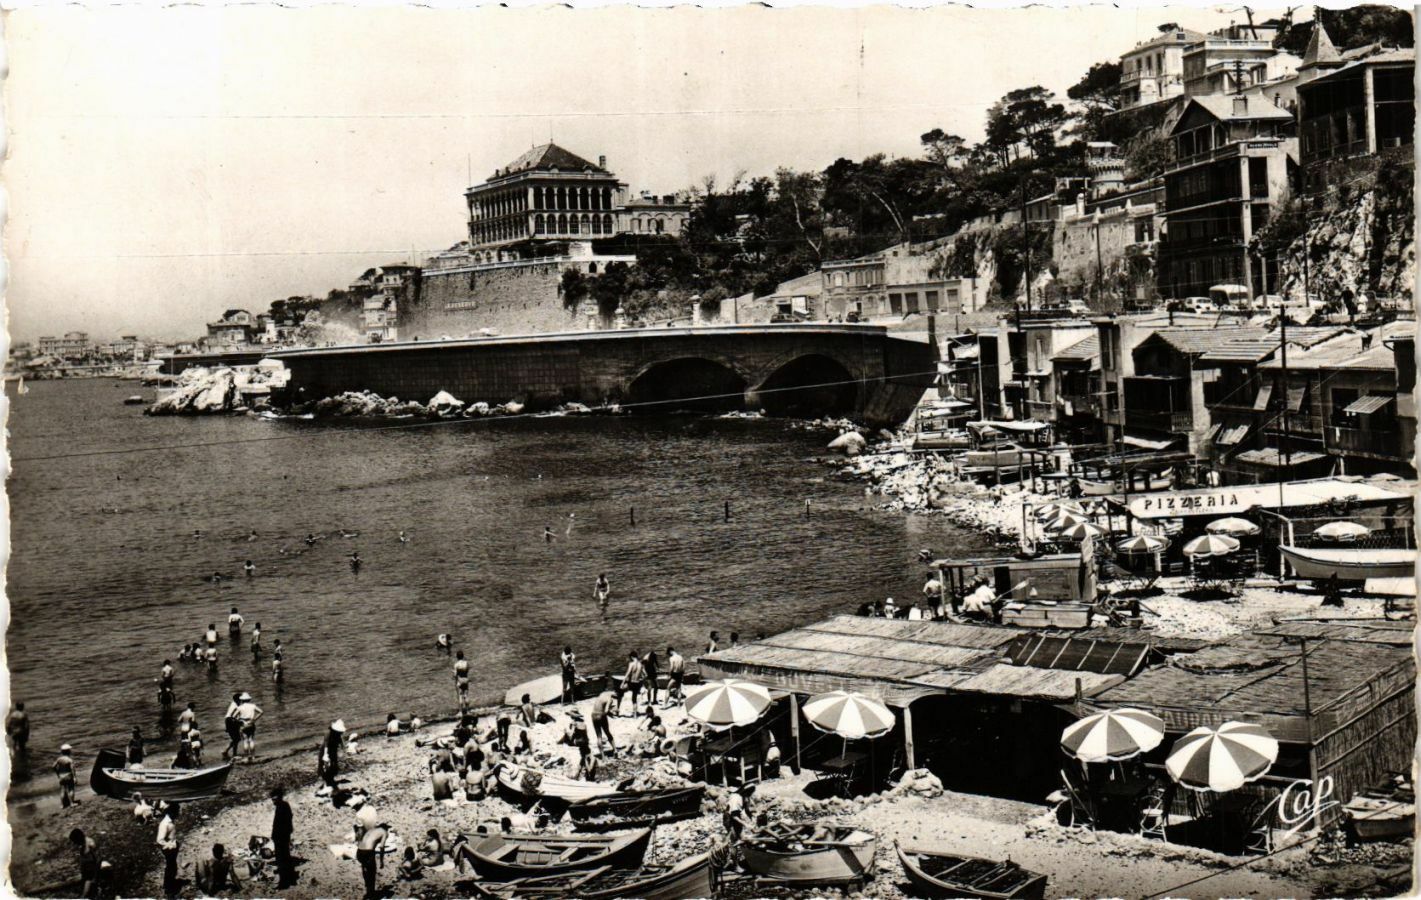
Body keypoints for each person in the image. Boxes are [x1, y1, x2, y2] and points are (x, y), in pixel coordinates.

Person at [356, 821, 388, 899]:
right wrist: (381, 861)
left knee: (365, 866)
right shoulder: (384, 832)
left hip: (359, 851)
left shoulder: (372, 830)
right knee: (372, 871)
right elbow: (382, 847)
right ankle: (371, 893)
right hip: (368, 852)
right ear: (386, 828)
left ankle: (367, 888)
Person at [157, 802, 180, 899]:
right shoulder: (165, 824)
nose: (178, 813)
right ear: (171, 812)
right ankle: (168, 888)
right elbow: (160, 840)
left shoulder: (171, 821)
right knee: (170, 867)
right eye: (177, 811)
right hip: (168, 849)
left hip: (172, 847)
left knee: (173, 866)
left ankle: (171, 883)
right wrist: (170, 845)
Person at [70, 828, 101, 899]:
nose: (75, 844)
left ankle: (85, 895)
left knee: (88, 880)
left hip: (91, 865)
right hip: (86, 865)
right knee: (86, 879)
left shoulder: (89, 844)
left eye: (75, 842)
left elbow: (96, 857)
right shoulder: (83, 843)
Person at [236, 693, 263, 762]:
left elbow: (234, 717)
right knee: (251, 740)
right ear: (249, 699)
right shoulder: (253, 706)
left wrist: (240, 721)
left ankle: (246, 757)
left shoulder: (239, 707)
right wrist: (254, 719)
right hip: (251, 724)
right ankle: (253, 756)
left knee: (245, 741)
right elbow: (261, 712)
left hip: (243, 725)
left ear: (242, 700)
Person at [319, 720, 345, 787]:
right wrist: (325, 754)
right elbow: (326, 745)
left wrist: (343, 748)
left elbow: (341, 742)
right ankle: (327, 781)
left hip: (333, 750)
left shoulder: (338, 734)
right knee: (325, 765)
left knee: (334, 764)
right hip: (326, 750)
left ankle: (331, 779)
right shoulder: (328, 733)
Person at [590, 691, 616, 756]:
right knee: (607, 732)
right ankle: (615, 750)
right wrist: (611, 714)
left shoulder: (601, 695)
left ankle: (602, 756)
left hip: (593, 715)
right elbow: (606, 711)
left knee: (599, 736)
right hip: (601, 715)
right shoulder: (610, 699)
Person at [620, 651, 646, 715]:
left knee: (619, 691)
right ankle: (635, 715)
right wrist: (642, 681)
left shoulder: (631, 664)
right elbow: (646, 675)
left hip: (631, 683)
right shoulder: (641, 664)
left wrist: (622, 683)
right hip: (637, 683)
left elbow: (627, 674)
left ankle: (617, 709)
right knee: (634, 699)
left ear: (632, 657)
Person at [55, 743, 77, 808]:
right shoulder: (69, 760)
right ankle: (72, 803)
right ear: (69, 751)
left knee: (62, 790)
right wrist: (74, 777)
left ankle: (62, 805)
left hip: (61, 776)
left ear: (62, 752)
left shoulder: (59, 759)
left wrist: (57, 773)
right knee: (71, 789)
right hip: (68, 775)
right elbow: (72, 768)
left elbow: (53, 766)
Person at [222, 693, 243, 761]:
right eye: (241, 699)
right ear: (238, 700)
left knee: (236, 739)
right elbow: (232, 717)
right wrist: (239, 723)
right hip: (230, 721)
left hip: (229, 721)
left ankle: (225, 751)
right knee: (236, 738)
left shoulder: (234, 704)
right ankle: (234, 754)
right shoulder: (235, 706)